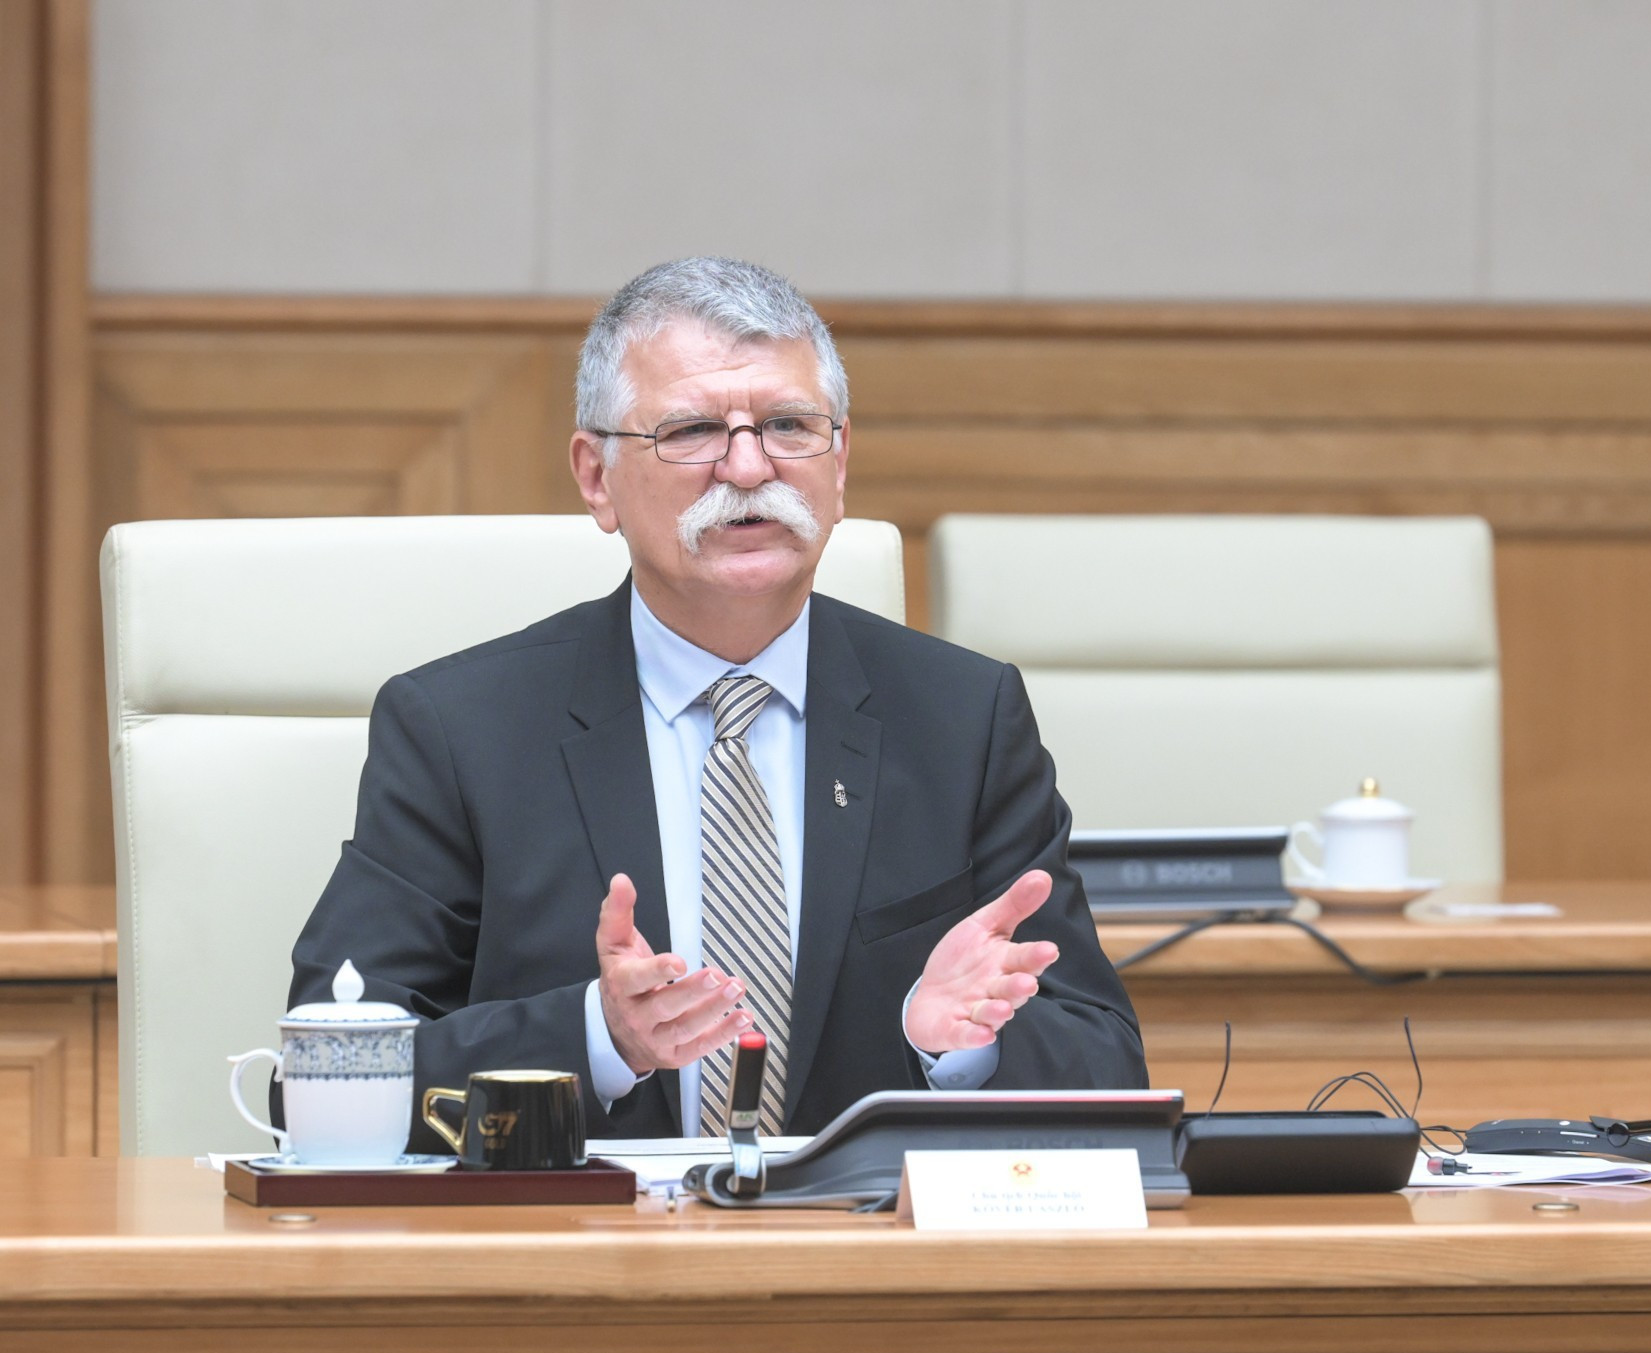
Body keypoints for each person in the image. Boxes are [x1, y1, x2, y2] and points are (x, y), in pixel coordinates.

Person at [287, 257, 1147, 1146]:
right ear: (596, 476)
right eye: (693, 430)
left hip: (867, 1233)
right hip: (580, 1230)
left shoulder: (964, 719)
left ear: (839, 463)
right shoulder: (462, 730)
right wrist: (599, 1038)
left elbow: (1109, 1067)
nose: (747, 466)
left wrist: (962, 1049)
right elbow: (322, 1075)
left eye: (788, 425)